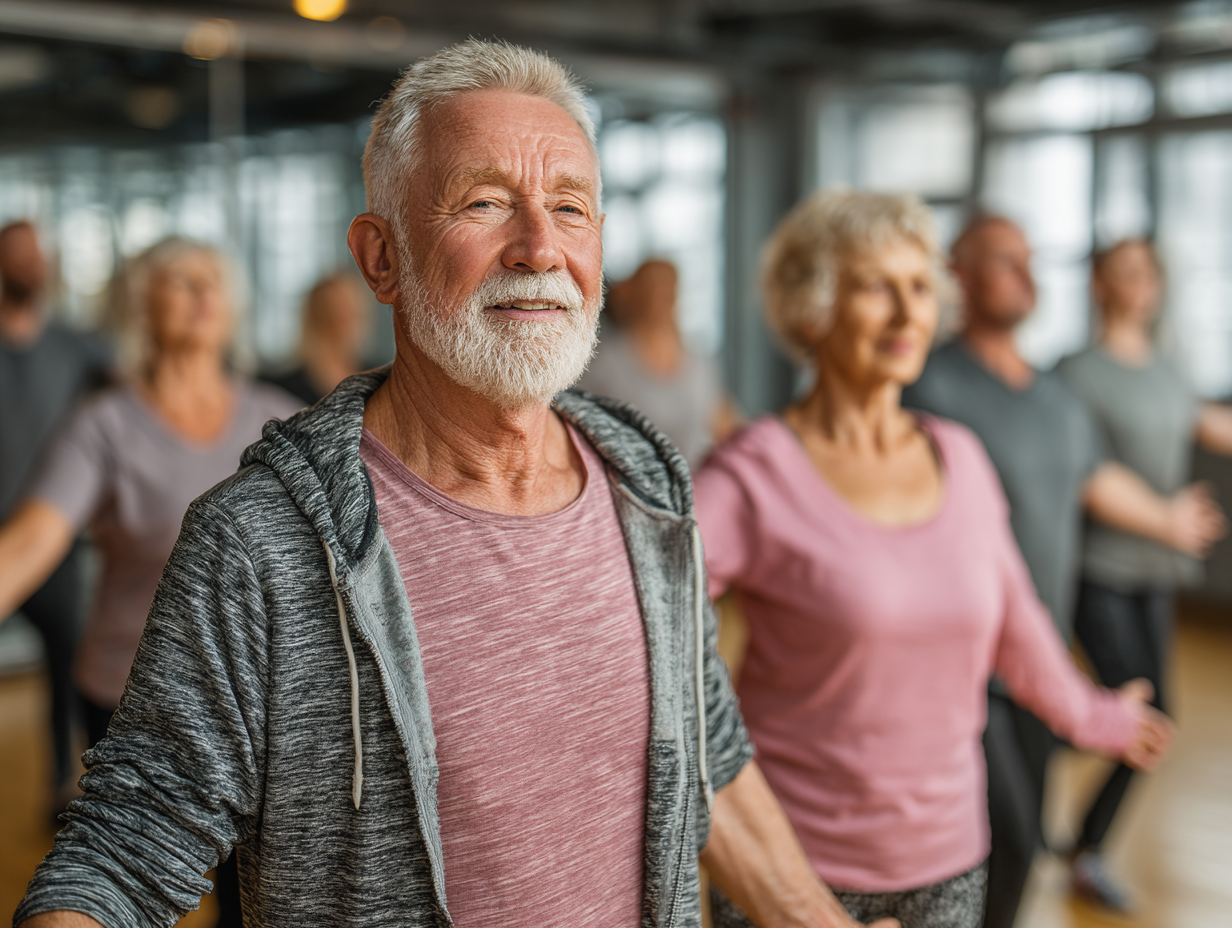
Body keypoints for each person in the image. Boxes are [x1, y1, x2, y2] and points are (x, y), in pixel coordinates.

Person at [14, 41, 896, 928]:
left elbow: (708, 756)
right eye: (484, 204)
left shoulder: (647, 486)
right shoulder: (260, 541)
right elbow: (125, 854)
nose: (540, 246)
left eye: (570, 208)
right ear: (381, 258)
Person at [695, 189, 1174, 928]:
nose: (906, 312)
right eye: (875, 287)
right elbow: (649, 634)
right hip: (796, 872)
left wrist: (1091, 715)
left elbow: (1016, 617)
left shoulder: (962, 457)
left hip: (949, 858)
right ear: (813, 309)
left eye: (919, 287)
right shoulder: (751, 475)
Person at [902, 216, 1222, 928]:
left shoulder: (1052, 395)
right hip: (957, 666)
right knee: (1003, 842)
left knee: (1016, 853)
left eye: (1029, 262)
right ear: (959, 274)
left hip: (1034, 659)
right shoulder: (930, 386)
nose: (1025, 276)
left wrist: (1167, 518)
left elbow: (1096, 478)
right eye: (1002, 262)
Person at [0, 235, 300, 928]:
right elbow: (33, 539)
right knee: (131, 892)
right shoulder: (102, 426)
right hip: (134, 698)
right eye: (178, 279)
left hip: (259, 700)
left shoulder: (281, 418)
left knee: (253, 901)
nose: (200, 292)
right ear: (141, 304)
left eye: (212, 280)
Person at [1056, 238, 1232, 911]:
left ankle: (1083, 844)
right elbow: (1086, 476)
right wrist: (1164, 515)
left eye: (1149, 271)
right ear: (1098, 284)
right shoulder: (1077, 373)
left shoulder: (1166, 368)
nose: (1142, 283)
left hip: (1155, 573)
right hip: (1099, 568)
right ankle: (1067, 832)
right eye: (1126, 271)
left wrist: (1168, 527)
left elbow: (1206, 422)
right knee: (1138, 713)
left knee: (1154, 714)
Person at [0, 220, 112, 813]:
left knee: (67, 662)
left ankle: (61, 784)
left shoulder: (73, 345)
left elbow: (131, 383)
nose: (32, 264)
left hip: (54, 539)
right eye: (19, 254)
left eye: (37, 254)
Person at [578, 258, 735, 467]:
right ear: (636, 292)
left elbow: (727, 427)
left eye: (668, 284)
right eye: (652, 285)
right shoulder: (606, 362)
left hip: (690, 487)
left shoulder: (699, 363)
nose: (661, 294)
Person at [264, 272, 373, 405]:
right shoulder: (284, 388)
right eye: (340, 314)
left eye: (355, 312)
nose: (352, 322)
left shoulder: (381, 379)